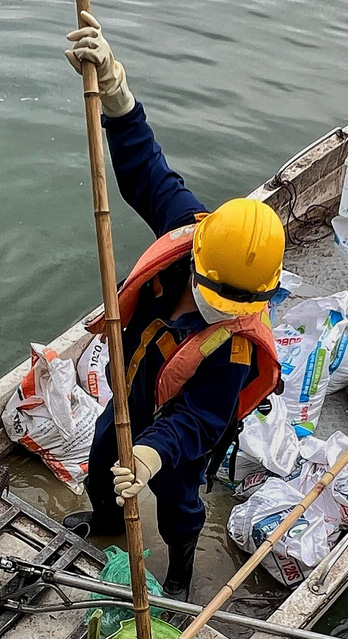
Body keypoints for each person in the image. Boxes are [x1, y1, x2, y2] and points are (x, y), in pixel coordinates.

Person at [61, 13, 284, 600]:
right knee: (104, 452)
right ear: (198, 254)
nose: (222, 310)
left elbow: (201, 419)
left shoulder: (233, 343)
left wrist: (153, 456)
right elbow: (145, 169)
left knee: (180, 499)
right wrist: (114, 89)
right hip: (132, 388)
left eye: (237, 303)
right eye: (216, 296)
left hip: (179, 434)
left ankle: (181, 570)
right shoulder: (189, 233)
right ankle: (104, 519)